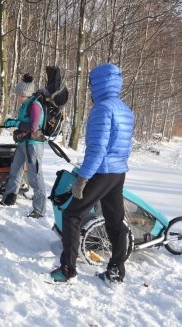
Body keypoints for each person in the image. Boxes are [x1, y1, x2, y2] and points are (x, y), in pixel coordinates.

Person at [50, 63, 135, 284]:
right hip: (118, 173)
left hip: (102, 171)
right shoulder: (124, 109)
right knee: (115, 221)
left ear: (99, 83)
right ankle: (116, 270)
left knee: (72, 214)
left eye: (90, 84)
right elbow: (124, 146)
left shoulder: (103, 109)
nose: (89, 89)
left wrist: (83, 178)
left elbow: (97, 149)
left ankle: (68, 268)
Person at [0, 73, 47, 220]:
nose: (17, 97)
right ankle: (9, 198)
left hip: (33, 145)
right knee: (15, 171)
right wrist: (13, 122)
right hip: (23, 143)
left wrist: (16, 124)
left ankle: (39, 210)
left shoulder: (35, 105)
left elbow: (33, 127)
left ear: (25, 94)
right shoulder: (25, 105)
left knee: (34, 176)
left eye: (19, 95)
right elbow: (22, 122)